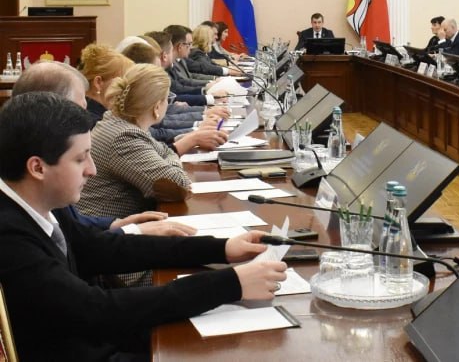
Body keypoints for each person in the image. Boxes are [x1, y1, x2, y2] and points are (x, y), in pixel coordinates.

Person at [0, 92, 287, 361]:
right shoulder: (9, 236)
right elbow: (95, 309)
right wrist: (230, 284)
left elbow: (101, 248)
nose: (92, 169)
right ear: (37, 168)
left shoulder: (44, 199)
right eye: (79, 158)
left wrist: (221, 248)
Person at [77, 64, 198, 221]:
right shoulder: (124, 137)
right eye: (167, 99)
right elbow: (179, 187)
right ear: (157, 107)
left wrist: (167, 156)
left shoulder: (116, 121)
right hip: (107, 230)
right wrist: (172, 159)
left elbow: (164, 150)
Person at [78, 44, 135, 122]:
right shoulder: (95, 122)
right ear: (98, 83)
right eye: (122, 83)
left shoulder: (82, 110)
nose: (128, 90)